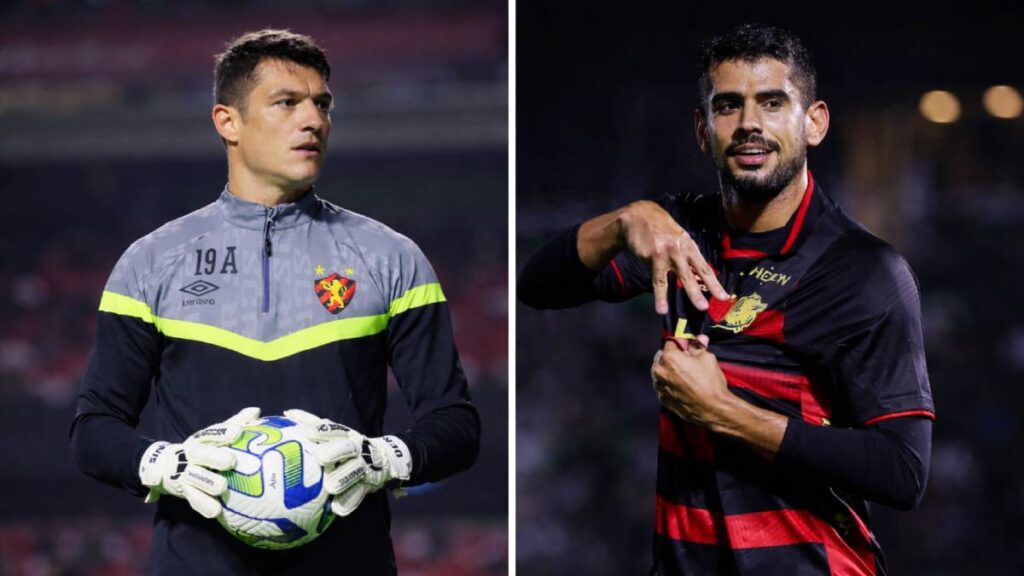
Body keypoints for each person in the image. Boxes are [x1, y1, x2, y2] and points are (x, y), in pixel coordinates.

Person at [519, 23, 933, 575]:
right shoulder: (681, 234)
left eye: (772, 103)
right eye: (729, 105)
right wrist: (622, 222)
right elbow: (538, 285)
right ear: (703, 129)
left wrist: (723, 412)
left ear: (814, 123)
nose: (749, 124)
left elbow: (904, 472)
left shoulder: (863, 271)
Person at [71, 29, 480, 575]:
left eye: (322, 104)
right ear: (228, 122)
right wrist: (164, 463)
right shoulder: (151, 263)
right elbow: (94, 429)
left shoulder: (392, 258)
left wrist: (385, 457)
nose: (313, 120)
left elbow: (456, 424)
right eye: (287, 102)